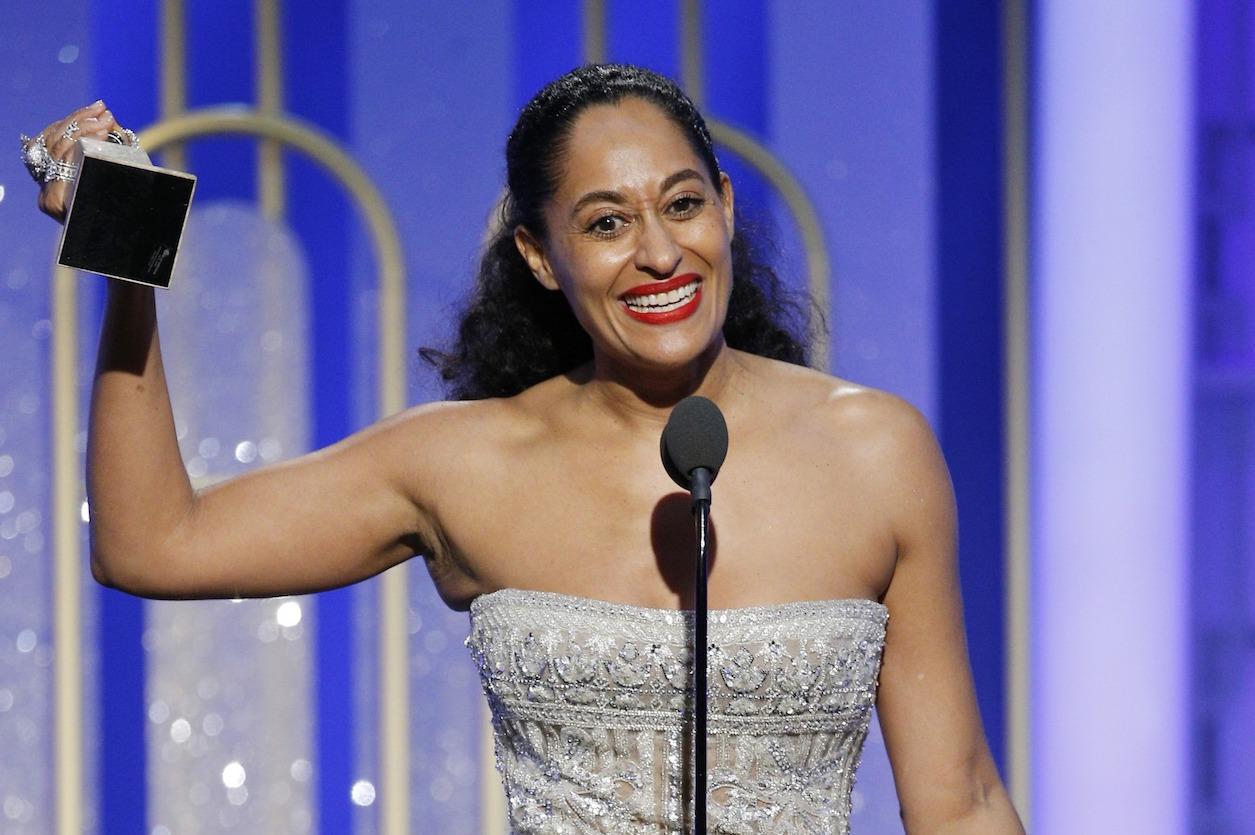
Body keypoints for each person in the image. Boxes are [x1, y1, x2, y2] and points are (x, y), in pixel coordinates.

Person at [26, 64, 1024, 833]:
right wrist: (129, 280)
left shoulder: (875, 450)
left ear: (724, 204)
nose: (660, 253)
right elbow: (153, 542)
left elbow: (960, 801)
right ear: (541, 255)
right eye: (605, 222)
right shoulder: (464, 463)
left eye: (681, 204)